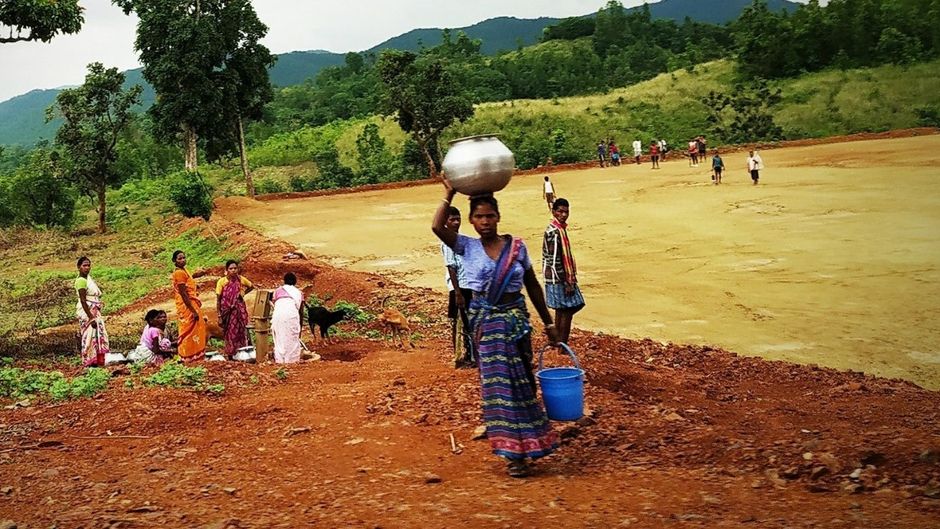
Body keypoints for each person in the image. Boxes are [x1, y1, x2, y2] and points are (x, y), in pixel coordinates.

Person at [432, 183, 560, 478]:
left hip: (515, 321)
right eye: (479, 217)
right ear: (472, 220)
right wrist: (449, 192)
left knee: (523, 382)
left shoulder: (517, 247)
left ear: (498, 216)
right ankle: (514, 453)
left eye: (490, 216)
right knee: (500, 389)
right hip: (487, 324)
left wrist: (549, 322)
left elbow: (532, 286)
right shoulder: (466, 246)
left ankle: (533, 441)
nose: (485, 222)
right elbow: (437, 226)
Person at [543, 199, 585, 345]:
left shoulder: (557, 229)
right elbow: (555, 260)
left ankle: (557, 343)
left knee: (562, 310)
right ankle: (562, 344)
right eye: (560, 211)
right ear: (554, 212)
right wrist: (566, 281)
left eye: (566, 211)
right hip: (559, 278)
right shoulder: (555, 232)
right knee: (570, 308)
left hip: (556, 277)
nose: (563, 214)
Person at [441, 206, 474, 368]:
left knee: (467, 321)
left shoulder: (459, 239)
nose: (456, 222)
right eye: (452, 219)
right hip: (458, 287)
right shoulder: (448, 242)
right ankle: (460, 358)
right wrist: (458, 292)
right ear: (445, 222)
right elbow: (451, 267)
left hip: (466, 284)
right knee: (458, 321)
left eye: (458, 218)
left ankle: (468, 355)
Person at [172, 250, 208, 363]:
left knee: (197, 329)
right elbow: (183, 294)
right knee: (188, 331)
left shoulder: (184, 271)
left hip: (191, 303)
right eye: (179, 258)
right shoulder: (179, 273)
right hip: (187, 306)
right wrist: (193, 311)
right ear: (174, 261)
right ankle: (187, 356)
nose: (182, 260)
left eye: (184, 258)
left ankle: (195, 355)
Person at [74, 256, 110, 367]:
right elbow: (84, 301)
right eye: (84, 265)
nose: (87, 268)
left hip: (94, 309)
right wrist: (91, 317)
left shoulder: (88, 279)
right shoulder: (81, 281)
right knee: (89, 335)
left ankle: (98, 360)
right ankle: (89, 360)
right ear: (79, 267)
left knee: (98, 334)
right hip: (88, 311)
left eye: (88, 265)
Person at [215, 260, 254, 359]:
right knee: (230, 332)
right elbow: (218, 300)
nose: (233, 270)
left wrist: (243, 293)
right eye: (231, 269)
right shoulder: (222, 282)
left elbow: (251, 286)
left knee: (241, 331)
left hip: (239, 310)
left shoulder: (241, 279)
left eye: (235, 268)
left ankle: (242, 354)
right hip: (227, 311)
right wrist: (219, 315)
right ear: (227, 270)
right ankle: (231, 355)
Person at [271, 272, 304, 364]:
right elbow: (301, 311)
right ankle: (292, 362)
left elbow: (276, 304)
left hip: (278, 316)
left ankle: (280, 360)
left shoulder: (277, 291)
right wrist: (300, 327)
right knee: (292, 338)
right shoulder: (298, 293)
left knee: (279, 337)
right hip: (291, 316)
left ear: (284, 281)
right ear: (295, 282)